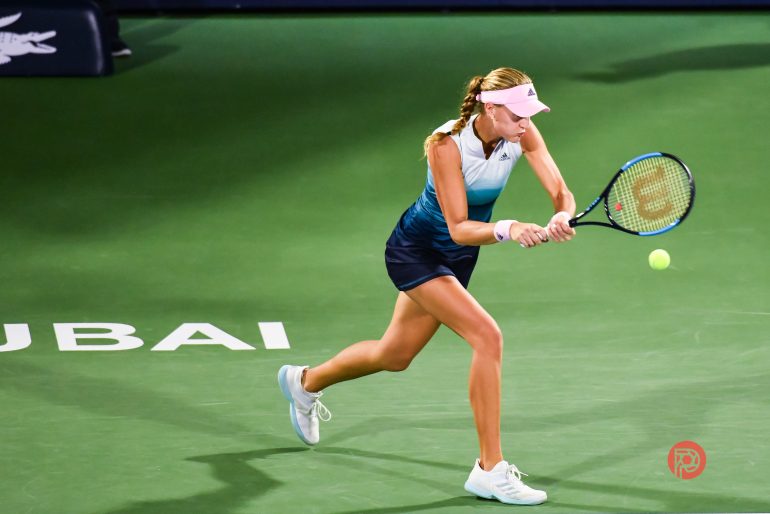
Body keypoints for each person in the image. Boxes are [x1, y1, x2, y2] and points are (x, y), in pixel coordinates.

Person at [278, 67, 576, 506]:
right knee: (487, 336)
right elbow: (457, 227)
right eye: (518, 115)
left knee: (394, 355)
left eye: (530, 114)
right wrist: (510, 228)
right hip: (416, 252)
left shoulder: (521, 134)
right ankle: (489, 469)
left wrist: (561, 215)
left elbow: (560, 191)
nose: (526, 124)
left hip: (457, 259)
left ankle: (304, 381)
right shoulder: (446, 146)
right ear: (490, 109)